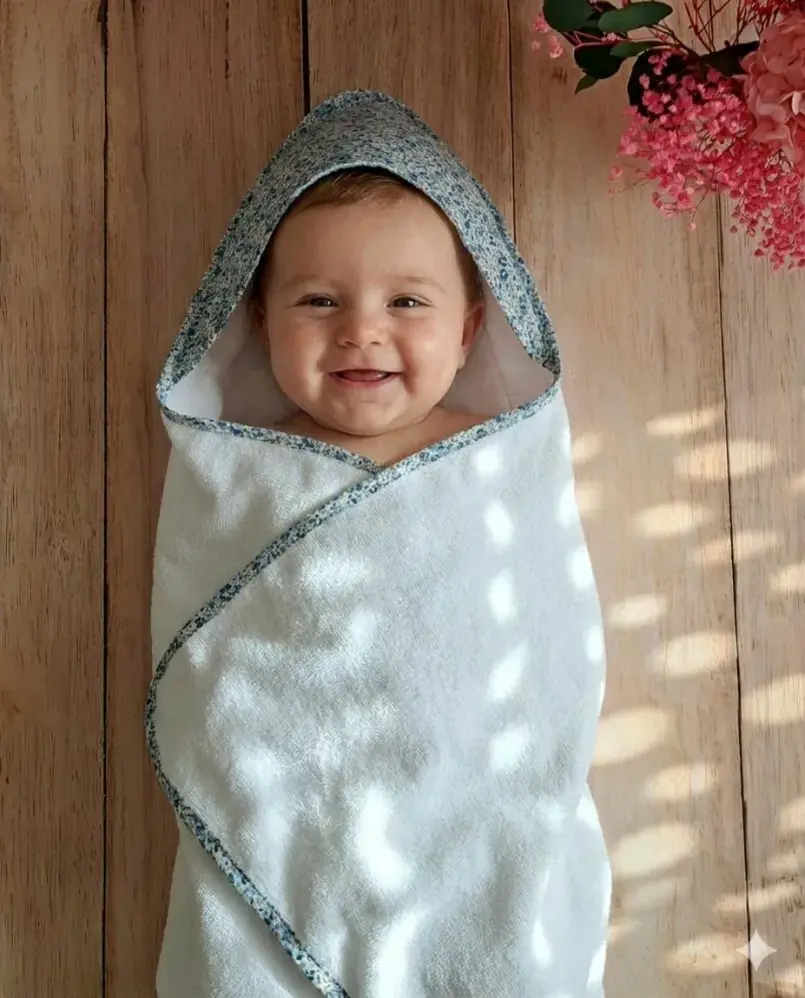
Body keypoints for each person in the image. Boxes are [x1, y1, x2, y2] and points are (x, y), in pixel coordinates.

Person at [249, 167, 492, 467]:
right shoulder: (240, 463)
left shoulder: (503, 450)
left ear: (464, 335)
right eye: (320, 301)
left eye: (406, 302)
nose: (362, 332)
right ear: (265, 328)